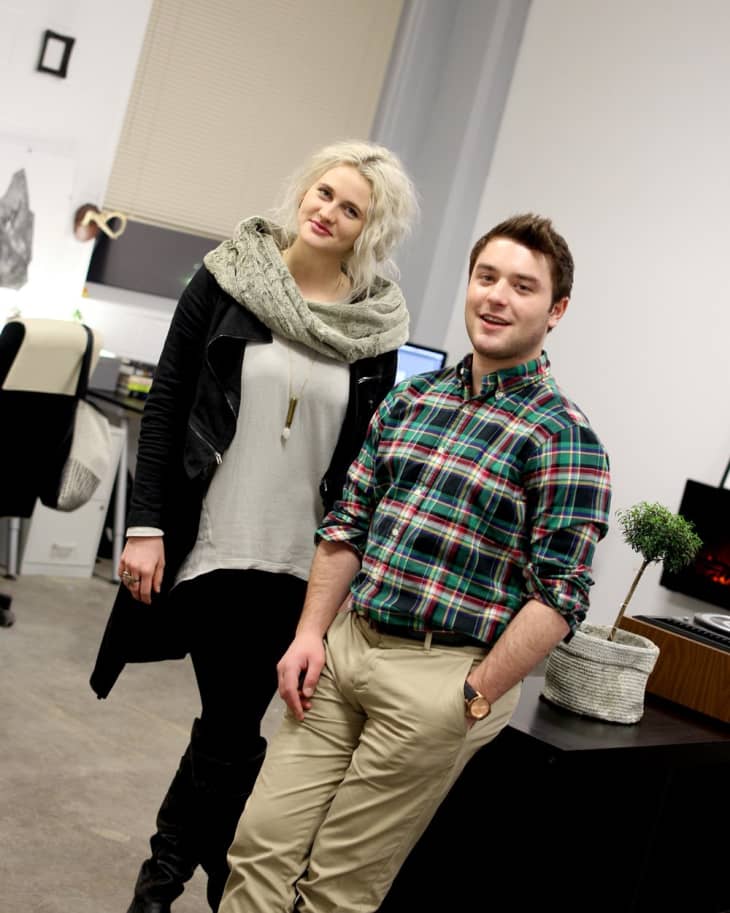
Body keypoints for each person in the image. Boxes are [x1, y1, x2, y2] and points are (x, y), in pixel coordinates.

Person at [218, 213, 613, 913]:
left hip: (441, 676)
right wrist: (311, 633)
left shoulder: (564, 437)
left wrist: (475, 694)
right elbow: (348, 524)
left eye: (522, 286)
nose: (496, 296)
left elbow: (560, 595)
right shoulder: (411, 398)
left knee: (336, 888)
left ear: (556, 311)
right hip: (346, 649)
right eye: (486, 277)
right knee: (259, 845)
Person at [88, 139, 419, 913]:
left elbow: (364, 456)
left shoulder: (376, 330)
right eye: (324, 192)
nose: (328, 211)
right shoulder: (228, 277)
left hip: (301, 565)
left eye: (351, 208)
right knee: (234, 718)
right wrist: (144, 526)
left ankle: (175, 880)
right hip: (214, 543)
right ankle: (201, 882)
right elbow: (168, 404)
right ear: (303, 190)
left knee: (228, 722)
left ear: (370, 230)